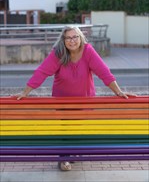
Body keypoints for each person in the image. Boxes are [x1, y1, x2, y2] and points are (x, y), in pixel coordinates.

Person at [17, 25, 136, 171]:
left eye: (75, 37)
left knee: (78, 128)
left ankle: (73, 152)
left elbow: (103, 72)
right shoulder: (58, 53)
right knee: (65, 129)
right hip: (62, 100)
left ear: (81, 38)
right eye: (68, 38)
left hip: (84, 99)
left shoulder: (88, 51)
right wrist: (25, 92)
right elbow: (42, 72)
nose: (72, 40)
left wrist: (118, 91)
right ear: (63, 40)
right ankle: (63, 159)